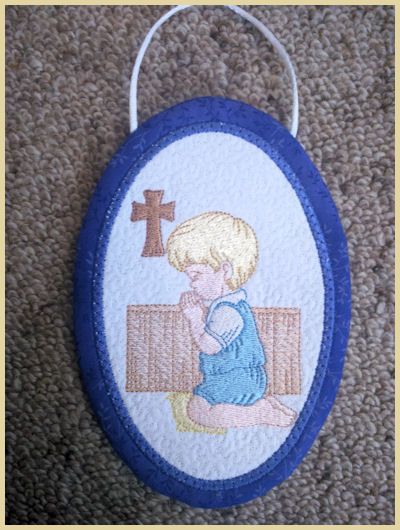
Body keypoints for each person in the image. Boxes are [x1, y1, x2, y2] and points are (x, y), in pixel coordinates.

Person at [166, 211, 296, 429]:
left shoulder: (228, 311)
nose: (192, 284)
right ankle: (266, 405)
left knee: (198, 411)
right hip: (228, 378)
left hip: (237, 379)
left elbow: (209, 346)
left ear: (224, 270)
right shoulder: (226, 306)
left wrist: (195, 318)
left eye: (196, 275)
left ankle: (260, 413)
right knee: (197, 404)